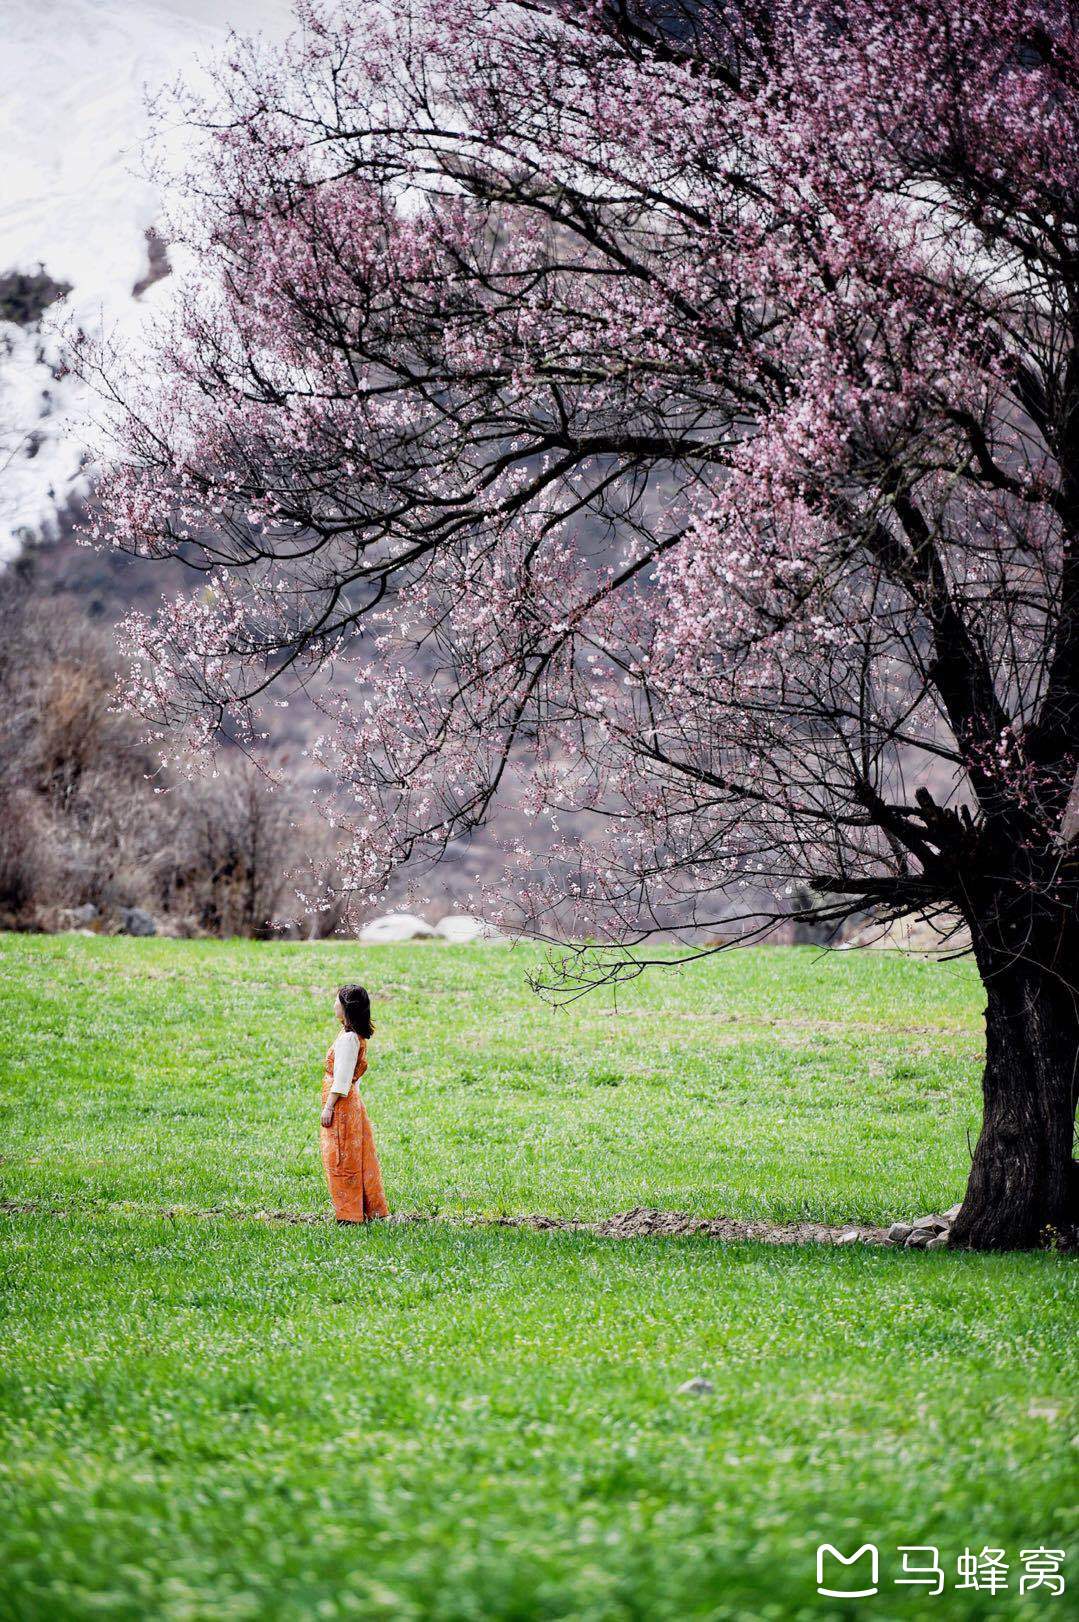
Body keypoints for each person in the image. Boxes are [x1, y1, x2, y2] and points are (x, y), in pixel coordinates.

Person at [319, 983, 389, 1223]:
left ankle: (349, 1214)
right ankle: (358, 1210)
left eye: (337, 1000)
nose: (334, 1005)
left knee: (342, 1157)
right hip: (349, 1103)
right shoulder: (348, 1035)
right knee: (350, 1155)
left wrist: (329, 1106)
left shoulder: (349, 1039)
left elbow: (342, 1078)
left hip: (342, 1106)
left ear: (347, 1007)